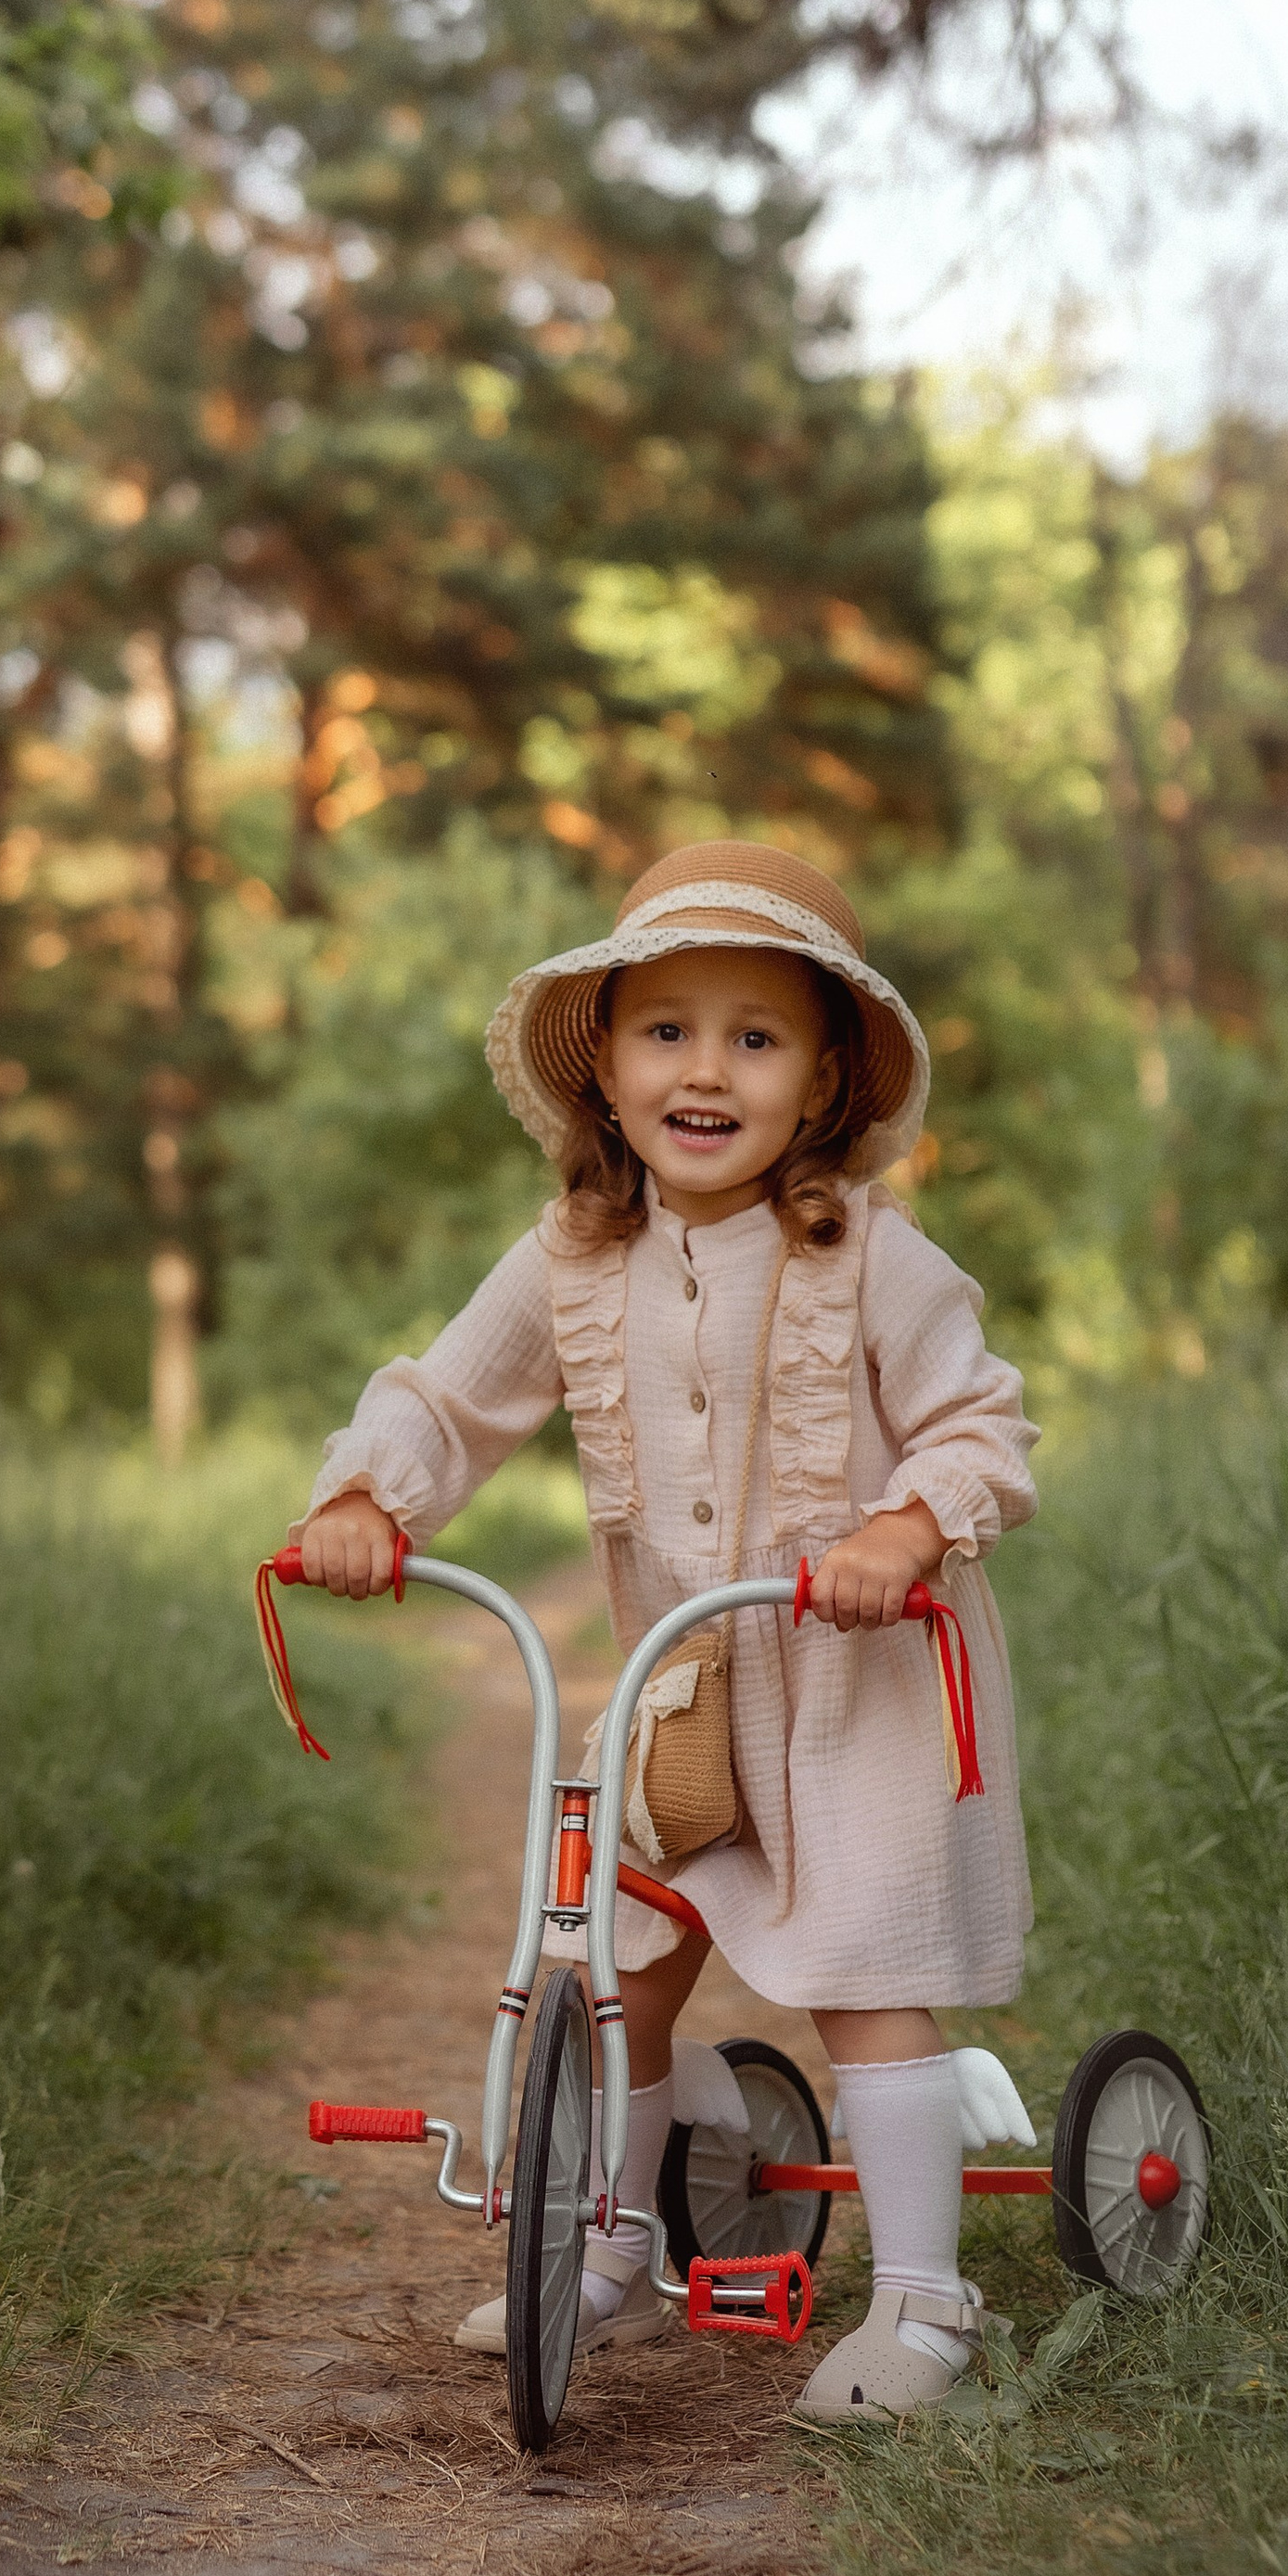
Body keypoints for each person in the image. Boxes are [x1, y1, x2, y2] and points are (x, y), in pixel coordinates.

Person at [293, 841, 1040, 2423]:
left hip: (857, 1673)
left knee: (862, 1971)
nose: (708, 1070)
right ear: (609, 1068)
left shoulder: (875, 1257)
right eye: (667, 1031)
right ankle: (614, 2248)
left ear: (827, 1078)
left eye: (756, 1038)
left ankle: (923, 2303)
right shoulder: (573, 1253)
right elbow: (451, 1396)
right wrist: (374, 1500)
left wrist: (905, 1529)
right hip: (681, 1677)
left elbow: (980, 1427)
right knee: (617, 1954)